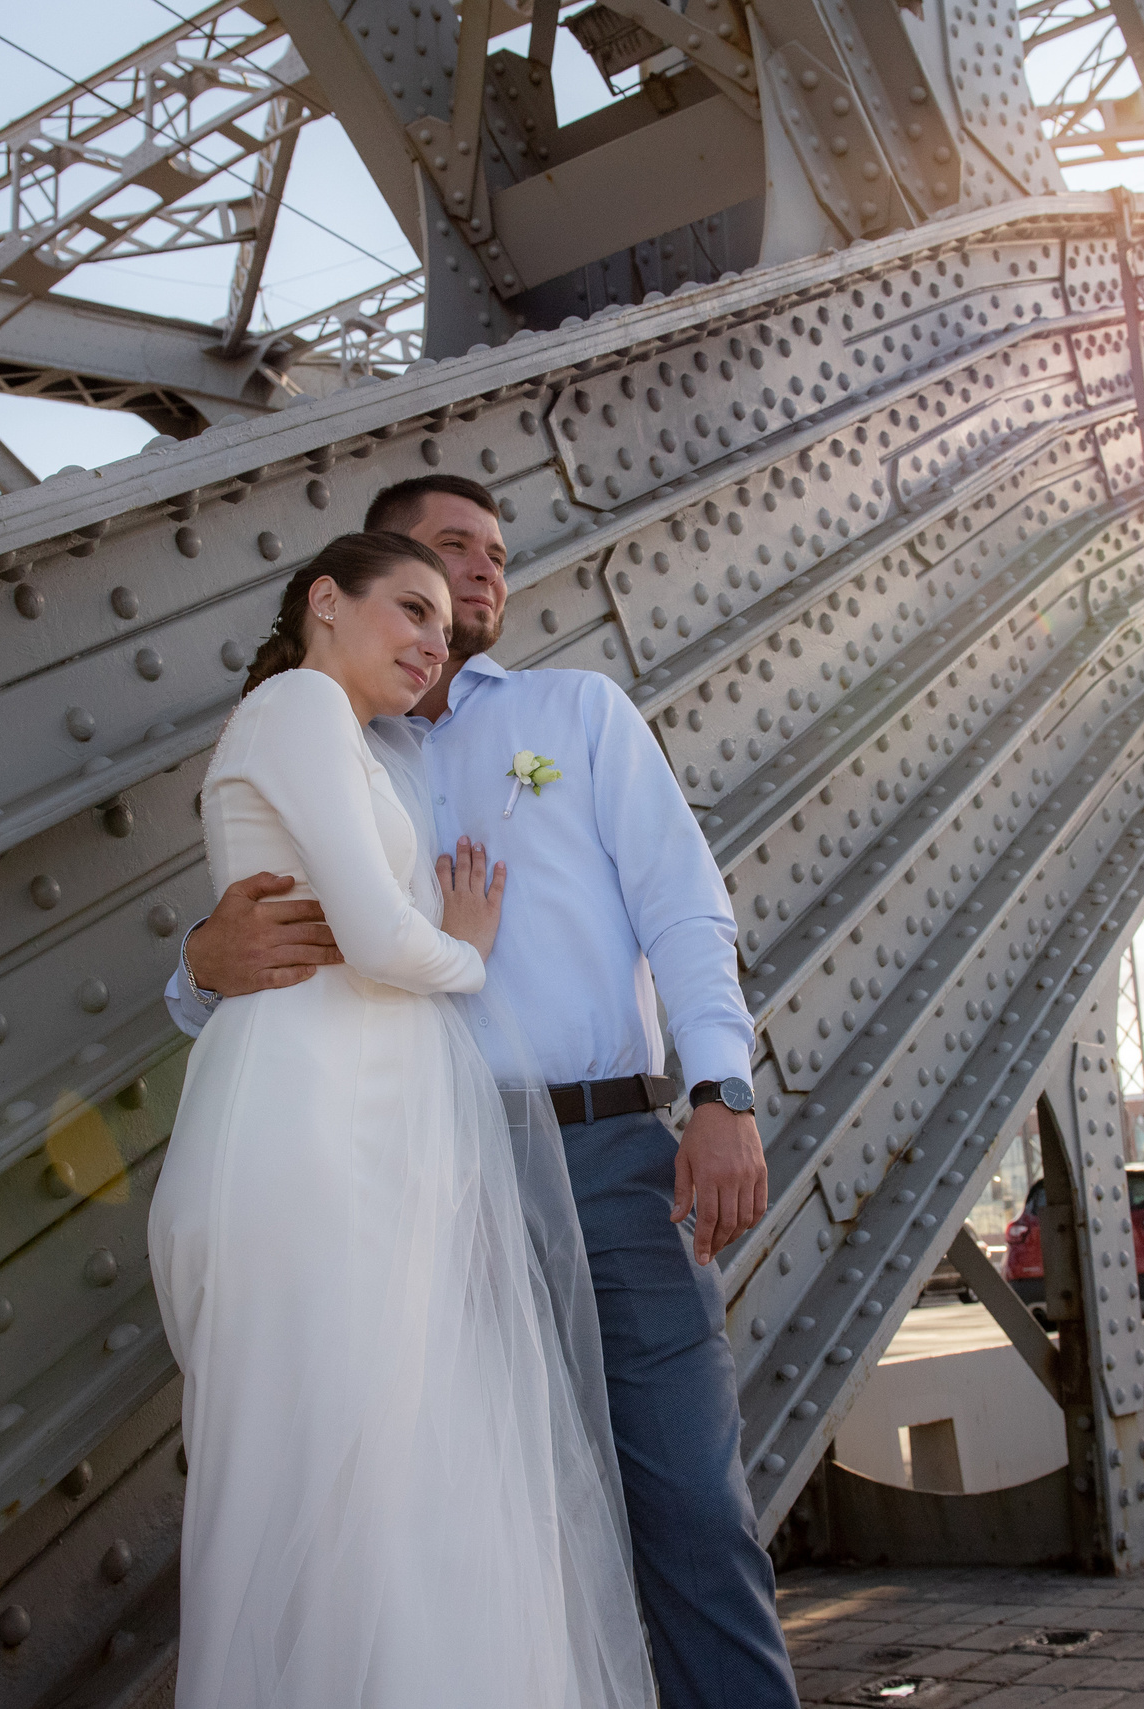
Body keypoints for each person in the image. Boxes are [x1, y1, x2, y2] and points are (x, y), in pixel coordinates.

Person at [166, 476, 800, 1709]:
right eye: (448, 549)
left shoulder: (576, 710)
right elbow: (280, 915)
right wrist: (195, 966)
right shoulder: (343, 735)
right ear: (357, 575)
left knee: (686, 1501)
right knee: (464, 1518)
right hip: (408, 1178)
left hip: (601, 1150)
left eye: (498, 555)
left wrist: (722, 1087)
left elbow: (682, 904)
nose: (483, 574)